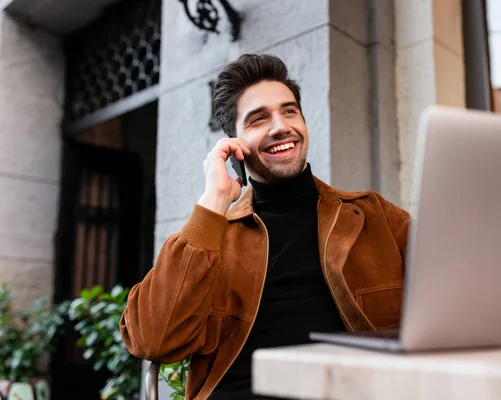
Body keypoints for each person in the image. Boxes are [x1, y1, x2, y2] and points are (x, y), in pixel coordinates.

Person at [120, 53, 411, 400]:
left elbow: (453, 295)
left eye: (289, 111)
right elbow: (152, 339)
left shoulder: (374, 215)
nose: (280, 127)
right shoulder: (213, 236)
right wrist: (213, 200)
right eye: (259, 119)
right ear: (234, 144)